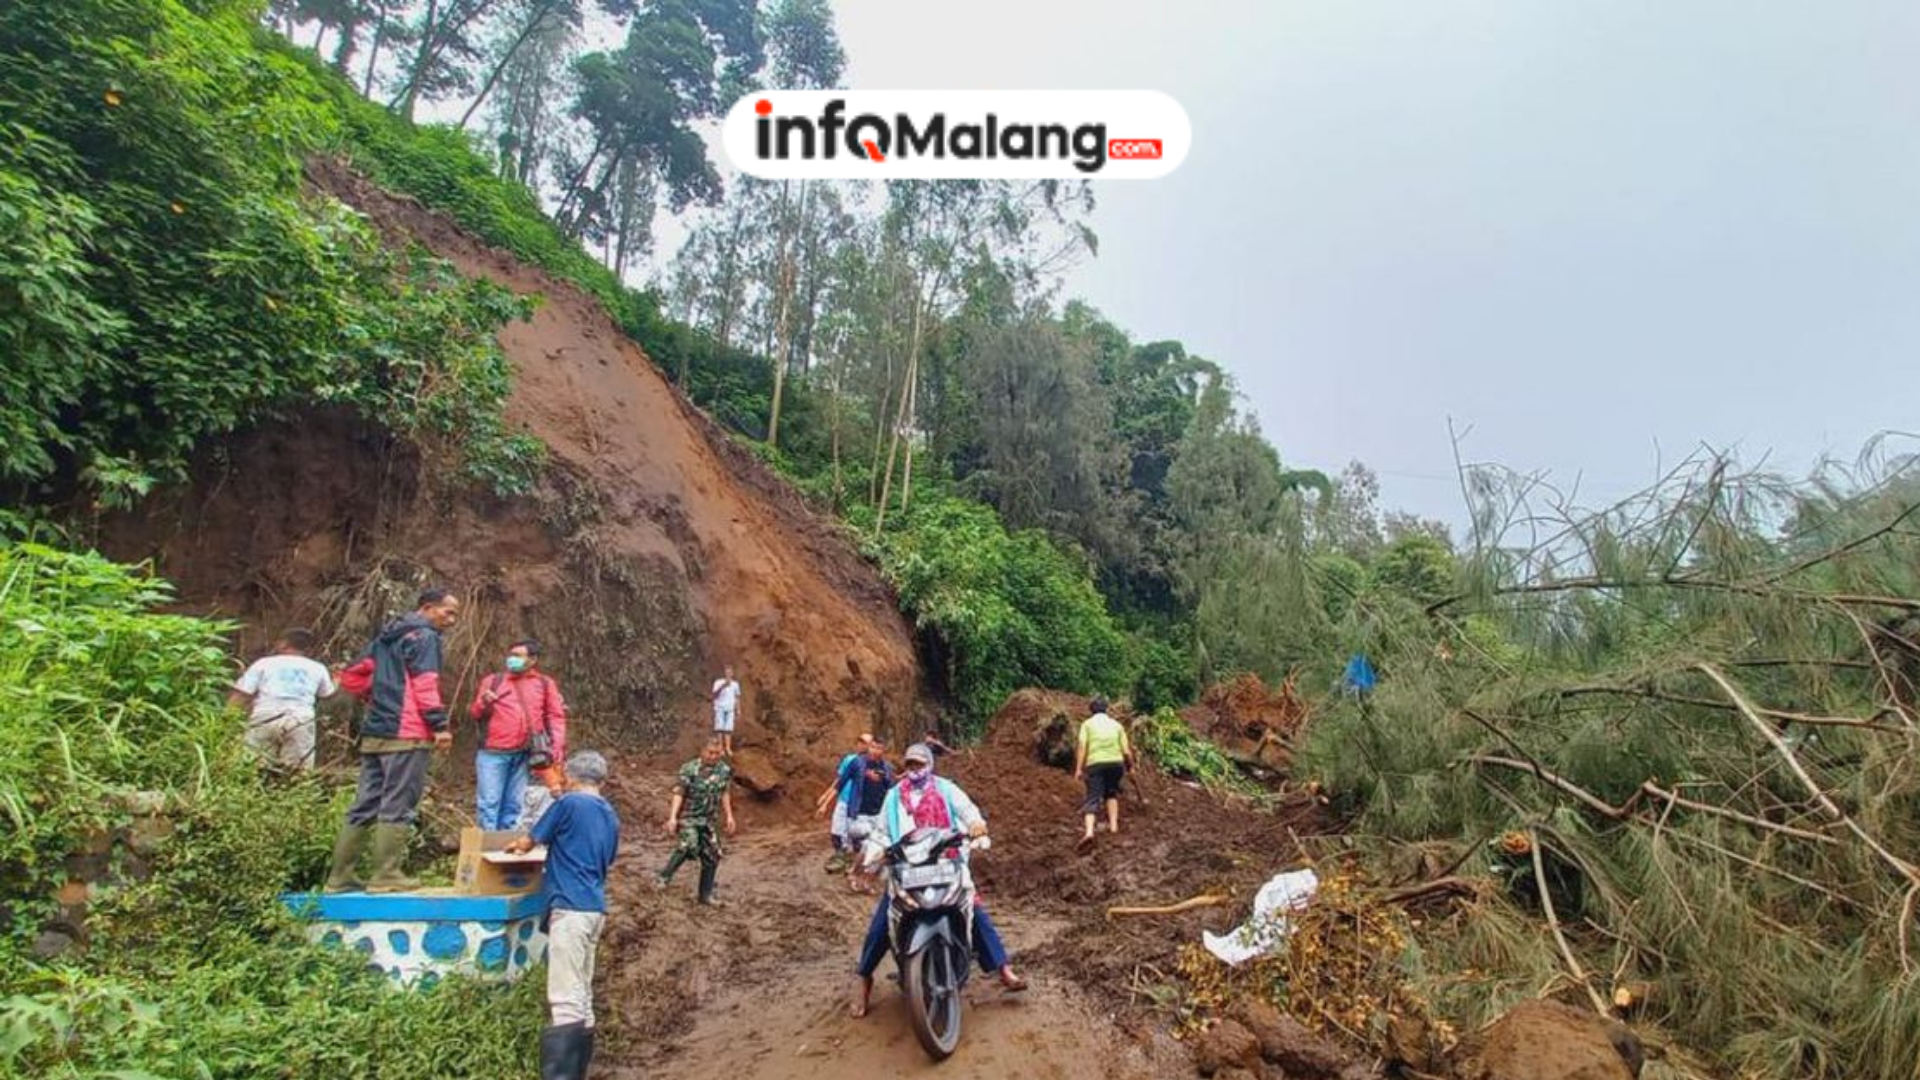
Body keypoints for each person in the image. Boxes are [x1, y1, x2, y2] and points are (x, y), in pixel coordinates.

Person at [849, 742, 1027, 1018]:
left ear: (930, 765)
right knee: (883, 920)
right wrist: (874, 853)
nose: (914, 769)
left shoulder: (946, 789)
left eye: (919, 764)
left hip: (946, 862)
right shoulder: (894, 796)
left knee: (973, 908)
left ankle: (1003, 968)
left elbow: (968, 813)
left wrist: (977, 828)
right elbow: (881, 831)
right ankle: (863, 977)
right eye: (910, 764)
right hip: (906, 867)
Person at [324, 588, 459, 893]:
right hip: (407, 733)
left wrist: (380, 694)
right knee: (398, 803)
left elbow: (352, 676)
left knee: (364, 804)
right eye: (448, 612)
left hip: (375, 732)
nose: (452, 620)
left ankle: (339, 877)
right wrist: (439, 725)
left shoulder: (386, 638)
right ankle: (386, 875)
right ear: (427, 608)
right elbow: (425, 685)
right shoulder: (424, 638)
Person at [505, 750, 619, 1080]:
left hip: (569, 907)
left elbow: (529, 841)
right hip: (595, 908)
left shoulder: (568, 804)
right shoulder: (610, 814)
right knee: (582, 996)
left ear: (570, 776)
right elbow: (608, 858)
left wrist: (511, 847)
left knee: (565, 999)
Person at [469, 638, 569, 831]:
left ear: (533, 660)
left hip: (524, 752)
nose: (511, 659)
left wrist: (556, 747)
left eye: (517, 656)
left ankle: (506, 849)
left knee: (514, 805)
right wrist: (484, 702)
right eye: (511, 655)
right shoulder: (493, 681)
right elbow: (475, 713)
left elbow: (555, 716)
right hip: (492, 751)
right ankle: (486, 848)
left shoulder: (544, 684)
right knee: (489, 803)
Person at [228, 627, 336, 770]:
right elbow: (327, 694)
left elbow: (242, 694)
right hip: (300, 718)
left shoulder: (264, 663)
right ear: (309, 649)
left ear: (283, 644)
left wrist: (226, 719)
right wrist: (336, 680)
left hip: (266, 715)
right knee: (297, 771)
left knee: (254, 768)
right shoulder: (318, 668)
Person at [657, 739, 736, 904]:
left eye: (717, 753)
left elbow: (725, 793)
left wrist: (729, 816)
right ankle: (664, 877)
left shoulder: (724, 770)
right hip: (689, 817)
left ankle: (705, 895)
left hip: (708, 820)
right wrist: (673, 818)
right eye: (710, 753)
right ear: (702, 751)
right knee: (689, 844)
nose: (714, 756)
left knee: (713, 855)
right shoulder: (690, 769)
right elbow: (679, 793)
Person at [1073, 696, 1135, 849]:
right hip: (1116, 763)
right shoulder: (1117, 725)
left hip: (1095, 763)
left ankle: (1089, 833)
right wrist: (1131, 767)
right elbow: (1126, 751)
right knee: (1111, 793)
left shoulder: (1086, 725)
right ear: (1106, 709)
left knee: (1092, 797)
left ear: (1091, 710)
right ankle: (1114, 827)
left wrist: (1079, 768)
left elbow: (1082, 747)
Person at [813, 732, 874, 872]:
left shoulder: (872, 764)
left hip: (859, 804)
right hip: (843, 800)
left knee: (856, 834)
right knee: (837, 831)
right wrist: (825, 798)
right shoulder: (849, 760)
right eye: (861, 741)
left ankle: (856, 863)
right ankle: (841, 858)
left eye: (867, 743)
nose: (863, 745)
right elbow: (839, 781)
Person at [840, 736, 894, 893]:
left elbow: (891, 790)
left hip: (879, 815)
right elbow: (841, 782)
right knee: (871, 842)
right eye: (872, 746)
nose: (875, 750)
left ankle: (864, 878)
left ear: (884, 750)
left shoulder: (887, 768)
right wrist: (825, 801)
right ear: (868, 747)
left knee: (880, 847)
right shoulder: (857, 763)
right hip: (859, 814)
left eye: (879, 748)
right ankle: (857, 874)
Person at [710, 665, 741, 756]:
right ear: (724, 673)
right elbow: (714, 694)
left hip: (730, 708)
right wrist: (723, 685)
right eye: (727, 672)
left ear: (732, 673)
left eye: (730, 672)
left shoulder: (735, 684)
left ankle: (728, 747)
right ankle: (720, 747)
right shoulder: (718, 682)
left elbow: (737, 697)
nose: (729, 674)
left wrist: (738, 709)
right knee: (719, 728)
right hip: (720, 708)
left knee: (728, 729)